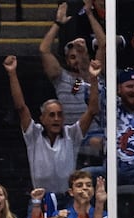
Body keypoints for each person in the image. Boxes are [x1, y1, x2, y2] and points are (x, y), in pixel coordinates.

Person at [4, 54, 101, 199]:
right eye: (52, 115)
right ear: (42, 119)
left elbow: (92, 111)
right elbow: (21, 107)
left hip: (67, 198)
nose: (56, 118)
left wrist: (93, 79)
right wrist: (12, 73)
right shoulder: (33, 134)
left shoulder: (72, 134)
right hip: (41, 198)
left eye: (60, 114)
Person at [39, 0, 106, 148]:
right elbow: (44, 50)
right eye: (72, 57)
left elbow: (103, 45)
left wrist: (89, 13)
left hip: (99, 133)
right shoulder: (61, 77)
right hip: (72, 136)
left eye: (80, 54)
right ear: (67, 61)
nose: (76, 60)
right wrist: (58, 23)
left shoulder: (95, 71)